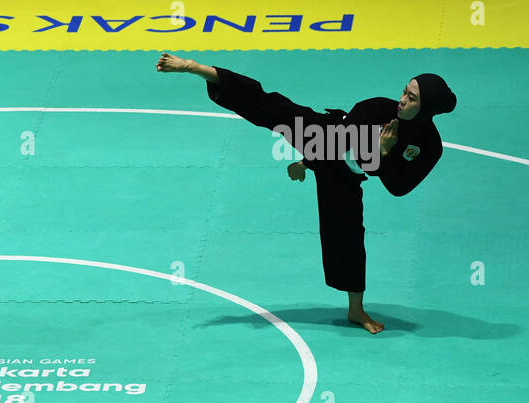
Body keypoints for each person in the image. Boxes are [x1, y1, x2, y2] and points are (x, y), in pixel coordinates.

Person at [156, 53, 456, 334]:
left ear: (427, 106)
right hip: (326, 138)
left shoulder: (428, 146)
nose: (401, 100)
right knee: (274, 108)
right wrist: (307, 161)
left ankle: (356, 310)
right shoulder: (376, 108)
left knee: (348, 235)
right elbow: (336, 141)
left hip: (347, 176)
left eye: (411, 97)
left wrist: (381, 153)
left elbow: (398, 188)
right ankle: (200, 69)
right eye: (404, 91)